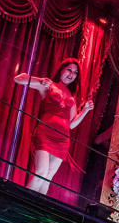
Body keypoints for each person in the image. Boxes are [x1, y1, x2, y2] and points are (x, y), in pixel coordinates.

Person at [14, 58, 94, 194]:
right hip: (45, 134)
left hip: (62, 140)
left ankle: (35, 210)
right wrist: (40, 80)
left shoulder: (72, 97)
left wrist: (85, 111)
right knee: (41, 172)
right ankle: (20, 203)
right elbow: (19, 79)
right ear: (61, 70)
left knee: (47, 177)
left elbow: (72, 124)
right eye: (69, 69)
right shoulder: (48, 85)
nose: (71, 74)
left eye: (75, 73)